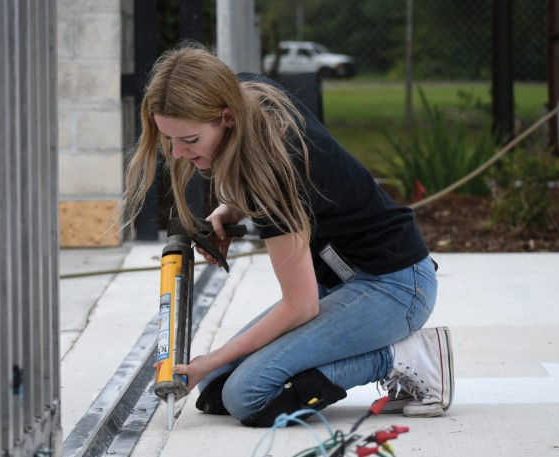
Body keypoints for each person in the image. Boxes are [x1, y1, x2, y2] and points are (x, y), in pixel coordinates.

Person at [121, 42, 454, 427]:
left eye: (190, 140)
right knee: (214, 386)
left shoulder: (275, 167)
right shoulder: (245, 94)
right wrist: (233, 208)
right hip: (344, 282)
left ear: (227, 117)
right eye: (170, 139)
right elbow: (303, 194)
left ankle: (405, 358)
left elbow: (300, 306)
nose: (178, 153)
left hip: (394, 286)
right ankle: (373, 348)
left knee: (248, 396)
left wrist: (212, 356)